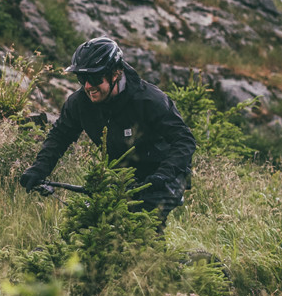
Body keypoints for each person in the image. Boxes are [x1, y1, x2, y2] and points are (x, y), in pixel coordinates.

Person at [18, 37, 196, 228]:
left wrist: (164, 174)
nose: (87, 86)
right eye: (82, 79)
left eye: (94, 78)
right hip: (122, 176)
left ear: (115, 74)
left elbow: (184, 140)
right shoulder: (79, 103)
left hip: (166, 175)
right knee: (89, 224)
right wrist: (39, 169)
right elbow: (60, 136)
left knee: (140, 224)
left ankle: (158, 258)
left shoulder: (149, 100)